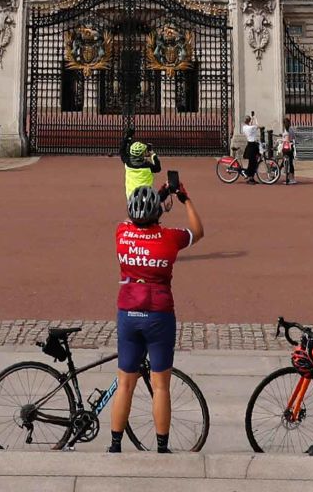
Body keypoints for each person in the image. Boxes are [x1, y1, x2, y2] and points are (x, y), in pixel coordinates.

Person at [111, 180, 204, 454]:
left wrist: (157, 195)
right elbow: (198, 232)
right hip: (159, 314)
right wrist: (184, 199)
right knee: (160, 386)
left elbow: (130, 217)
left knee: (125, 384)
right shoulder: (169, 238)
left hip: (128, 312)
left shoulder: (121, 233)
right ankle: (162, 447)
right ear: (157, 215)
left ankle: (115, 444)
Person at [241, 111, 261, 180]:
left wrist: (251, 119)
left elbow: (251, 126)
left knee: (253, 162)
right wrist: (255, 118)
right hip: (253, 145)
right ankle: (249, 176)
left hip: (250, 144)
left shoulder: (244, 128)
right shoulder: (250, 128)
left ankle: (251, 177)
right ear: (249, 121)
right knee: (253, 162)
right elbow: (258, 126)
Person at [278, 116, 296, 185]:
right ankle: (291, 177)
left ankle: (287, 176)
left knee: (285, 162)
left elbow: (286, 139)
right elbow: (293, 137)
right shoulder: (291, 129)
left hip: (286, 147)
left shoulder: (286, 130)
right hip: (290, 147)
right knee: (290, 162)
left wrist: (282, 137)